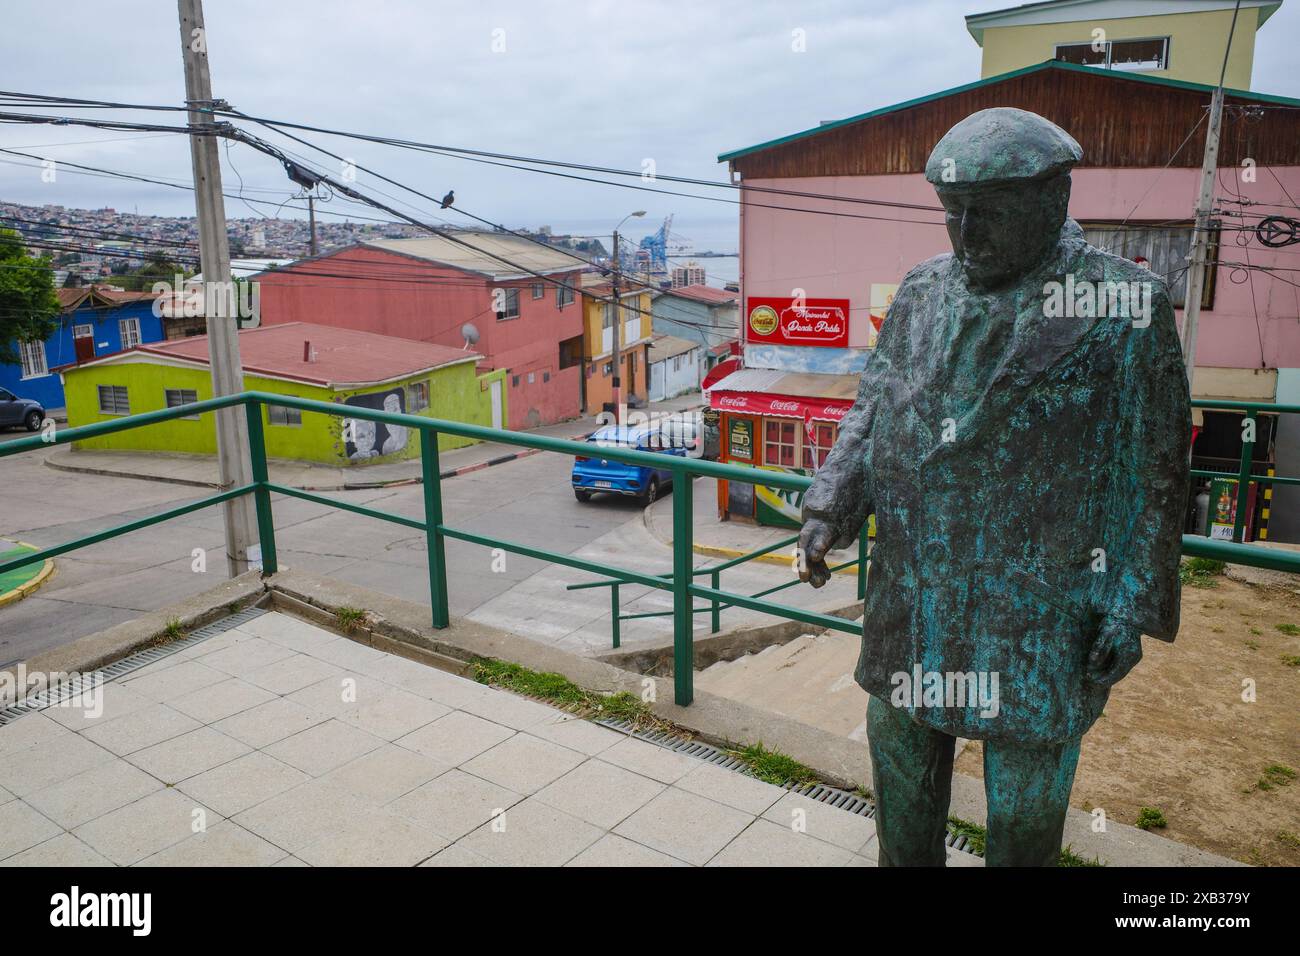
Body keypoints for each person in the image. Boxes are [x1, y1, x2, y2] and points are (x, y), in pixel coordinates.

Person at [797, 108, 1191, 866]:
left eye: (991, 215)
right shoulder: (921, 291)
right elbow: (874, 404)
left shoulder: (1125, 304)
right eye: (954, 215)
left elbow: (1157, 469)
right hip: (916, 596)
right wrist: (830, 504)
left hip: (1042, 613)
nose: (967, 236)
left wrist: (1130, 604)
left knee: (1023, 825)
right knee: (903, 800)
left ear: (1053, 199)